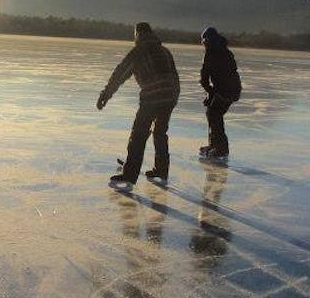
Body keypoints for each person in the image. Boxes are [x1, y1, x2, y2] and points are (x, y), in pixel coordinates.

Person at [97, 22, 180, 186]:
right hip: (170, 96)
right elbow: (174, 76)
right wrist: (173, 97)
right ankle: (161, 170)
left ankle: (129, 175)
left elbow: (120, 74)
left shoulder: (138, 52)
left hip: (152, 97)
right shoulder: (164, 51)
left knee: (139, 135)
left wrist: (105, 94)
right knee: (160, 133)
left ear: (138, 34)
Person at [198, 27, 242, 159]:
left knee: (214, 114)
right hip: (232, 89)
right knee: (213, 114)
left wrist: (210, 92)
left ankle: (220, 148)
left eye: (204, 42)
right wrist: (211, 94)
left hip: (225, 90)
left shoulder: (211, 53)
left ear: (207, 41)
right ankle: (215, 145)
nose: (204, 44)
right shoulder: (225, 51)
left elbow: (204, 77)